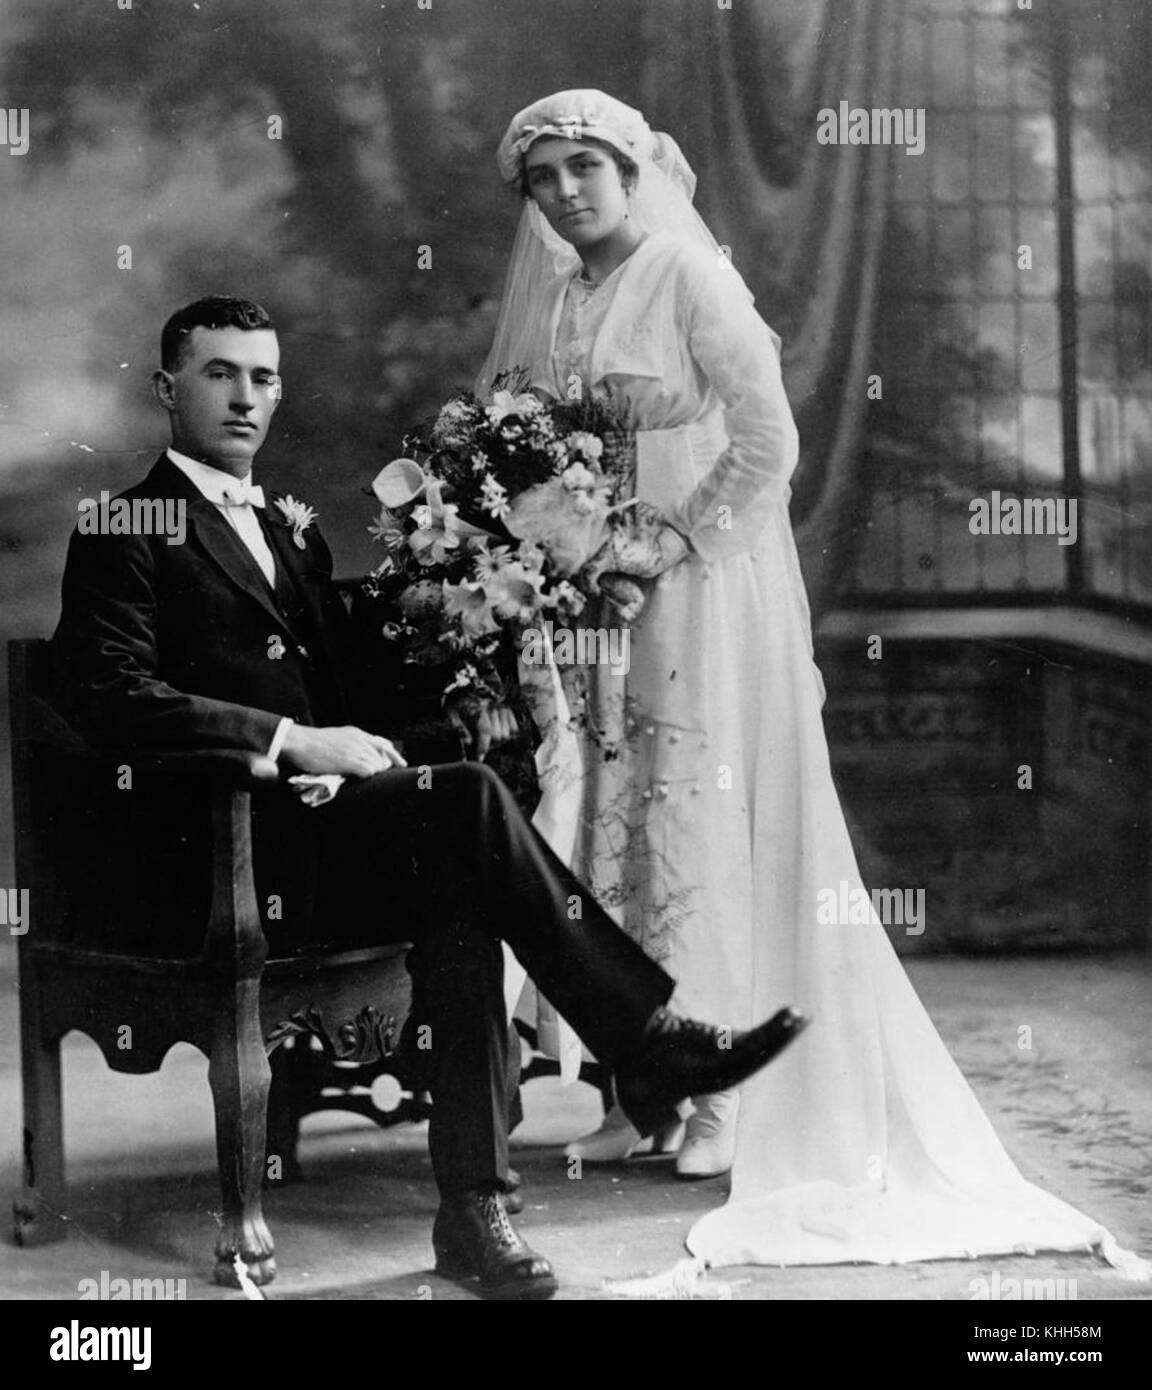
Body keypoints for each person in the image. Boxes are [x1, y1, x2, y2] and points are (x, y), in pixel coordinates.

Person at [477, 91, 1150, 1274]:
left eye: (589, 166)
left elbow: (767, 442)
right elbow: (532, 444)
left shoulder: (690, 275)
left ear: (636, 172)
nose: (569, 191)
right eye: (546, 177)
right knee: (614, 817)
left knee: (701, 808)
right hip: (596, 595)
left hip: (698, 584)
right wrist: (560, 539)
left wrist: (670, 541)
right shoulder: (566, 294)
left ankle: (732, 1091)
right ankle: (652, 1077)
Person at [50, 295, 809, 1301]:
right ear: (166, 388)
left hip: (321, 841)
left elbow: (355, 684)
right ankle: (645, 1040)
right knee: (462, 807)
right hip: (208, 851)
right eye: (219, 372)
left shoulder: (290, 531)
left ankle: (475, 1214)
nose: (245, 396)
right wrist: (289, 740)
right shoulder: (124, 526)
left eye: (263, 376)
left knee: (460, 861)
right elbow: (110, 692)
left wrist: (465, 622)